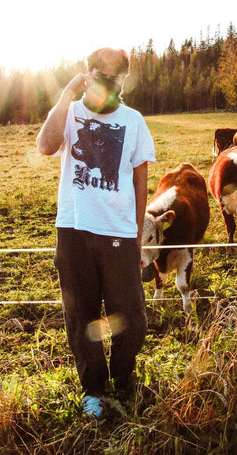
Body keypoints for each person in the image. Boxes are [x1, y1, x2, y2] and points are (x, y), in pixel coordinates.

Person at [36, 47, 156, 419]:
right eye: (98, 71)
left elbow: (140, 182)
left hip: (119, 232)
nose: (106, 79)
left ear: (123, 79)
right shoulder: (70, 113)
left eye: (113, 73)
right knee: (81, 315)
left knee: (131, 318)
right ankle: (93, 390)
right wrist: (64, 96)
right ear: (88, 73)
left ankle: (123, 380)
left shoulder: (134, 121)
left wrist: (137, 236)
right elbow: (45, 146)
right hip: (73, 230)